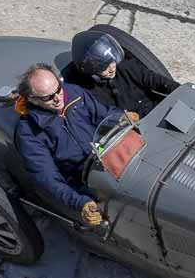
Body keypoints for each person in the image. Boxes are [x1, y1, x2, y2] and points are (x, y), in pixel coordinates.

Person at [14, 63, 132, 226]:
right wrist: (80, 202)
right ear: (32, 99)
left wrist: (121, 118)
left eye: (58, 89)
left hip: (105, 154)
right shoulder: (29, 133)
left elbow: (103, 114)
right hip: (82, 178)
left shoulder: (74, 93)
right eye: (48, 97)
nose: (58, 98)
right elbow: (47, 178)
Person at [61, 30, 180, 118]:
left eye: (112, 62)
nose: (112, 69)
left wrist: (181, 90)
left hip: (154, 109)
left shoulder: (125, 66)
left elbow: (153, 79)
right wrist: (122, 118)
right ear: (92, 71)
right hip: (129, 127)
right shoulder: (87, 91)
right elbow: (100, 113)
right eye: (104, 68)